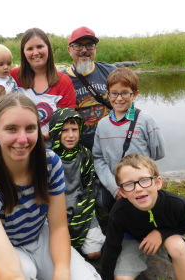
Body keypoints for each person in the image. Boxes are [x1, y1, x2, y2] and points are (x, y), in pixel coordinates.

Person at [0, 93, 100, 280]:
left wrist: (62, 272)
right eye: (11, 129)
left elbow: (59, 227)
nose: (22, 139)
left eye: (30, 128)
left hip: (40, 236)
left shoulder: (51, 163)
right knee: (24, 272)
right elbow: (8, 271)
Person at [101, 153, 185, 280]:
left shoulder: (177, 205)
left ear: (158, 183)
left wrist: (161, 233)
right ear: (122, 192)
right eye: (129, 184)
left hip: (167, 239)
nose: (138, 188)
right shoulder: (118, 212)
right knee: (122, 278)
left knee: (178, 247)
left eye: (144, 180)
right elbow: (111, 247)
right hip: (133, 241)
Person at [92, 67, 165, 204]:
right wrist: (114, 188)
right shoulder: (102, 125)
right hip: (117, 189)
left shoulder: (146, 120)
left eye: (125, 93)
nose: (119, 98)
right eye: (114, 93)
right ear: (108, 94)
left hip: (142, 188)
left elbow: (158, 152)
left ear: (135, 94)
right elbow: (98, 158)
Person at [49, 108, 105, 260]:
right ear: (56, 131)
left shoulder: (85, 154)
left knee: (94, 253)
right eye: (65, 130)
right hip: (56, 211)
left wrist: (81, 209)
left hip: (82, 208)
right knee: (58, 253)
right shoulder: (48, 158)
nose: (71, 135)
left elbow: (90, 186)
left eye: (75, 129)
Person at [11, 28, 76, 144]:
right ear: (23, 52)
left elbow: (66, 121)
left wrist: (41, 139)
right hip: (19, 145)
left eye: (40, 47)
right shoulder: (13, 77)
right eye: (30, 48)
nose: (36, 52)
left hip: (52, 149)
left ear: (48, 48)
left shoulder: (64, 82)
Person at [61, 26, 117, 150]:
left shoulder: (110, 71)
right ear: (69, 49)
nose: (84, 50)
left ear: (95, 49)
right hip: (79, 150)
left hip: (112, 145)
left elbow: (128, 103)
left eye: (89, 45)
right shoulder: (60, 79)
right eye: (78, 45)